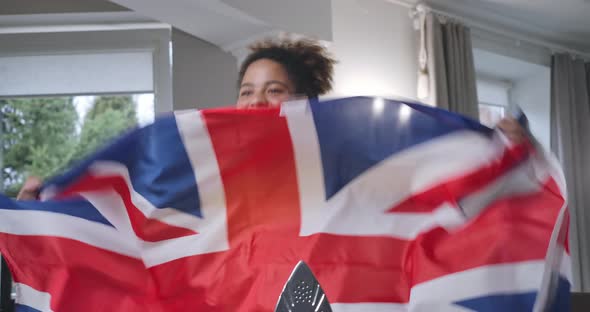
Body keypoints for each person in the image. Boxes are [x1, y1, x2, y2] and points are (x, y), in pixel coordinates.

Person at [16, 37, 526, 200]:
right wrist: (54, 201)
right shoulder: (203, 169)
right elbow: (139, 204)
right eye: (246, 92)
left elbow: (426, 186)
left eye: (274, 91)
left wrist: (502, 153)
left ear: (305, 103)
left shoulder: (345, 158)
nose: (256, 103)